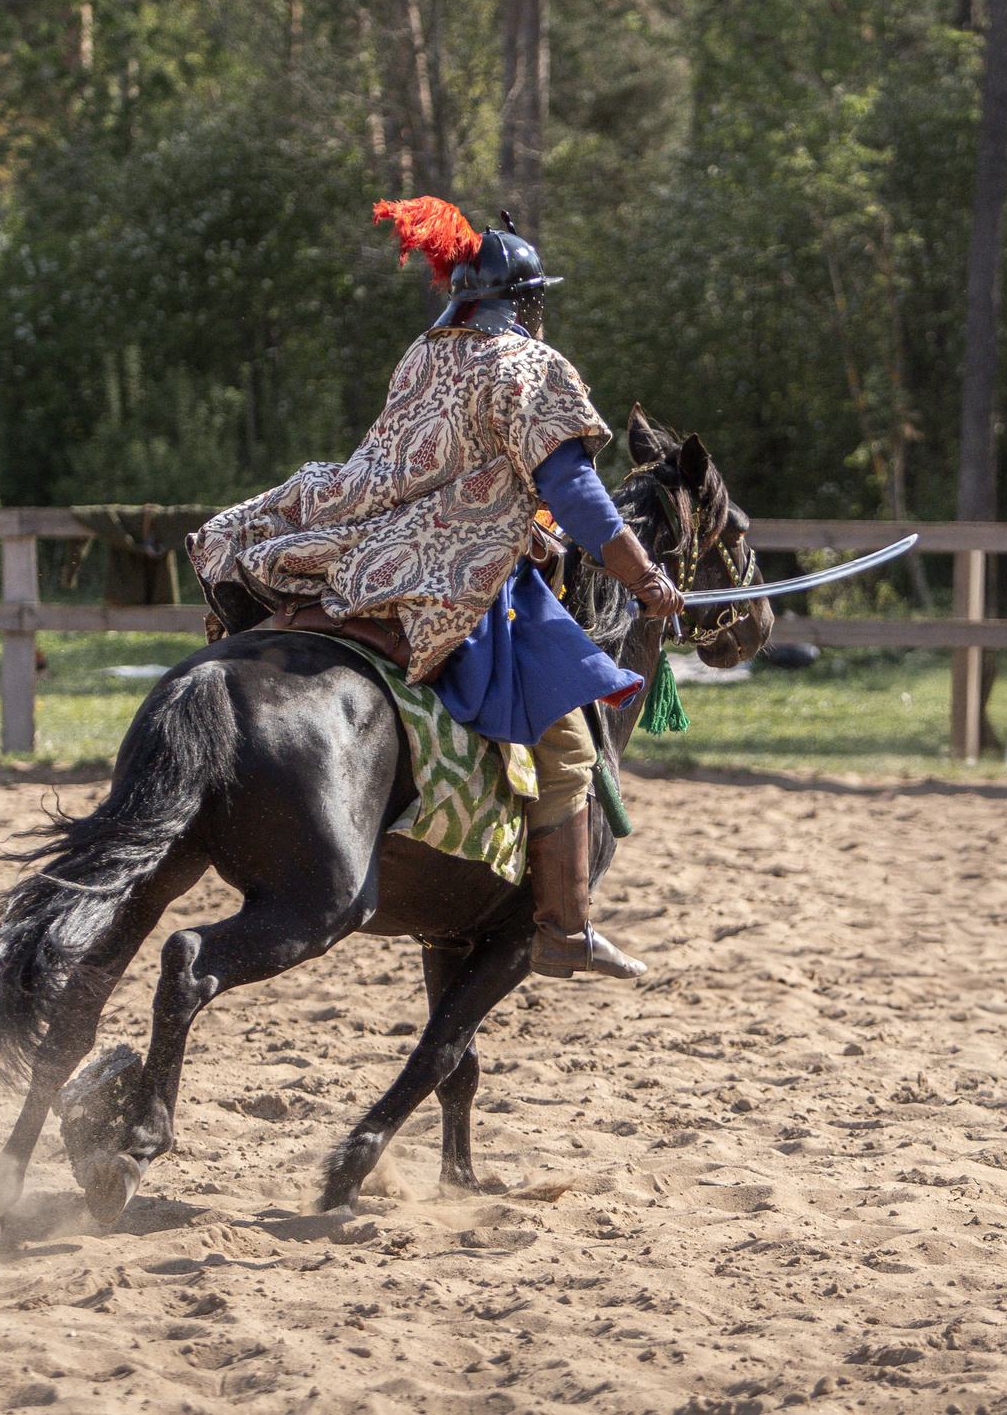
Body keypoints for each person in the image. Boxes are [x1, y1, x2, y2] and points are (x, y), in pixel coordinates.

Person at [189, 198, 684, 980]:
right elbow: (579, 491)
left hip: (365, 555)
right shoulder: (529, 365)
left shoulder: (422, 355)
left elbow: (436, 476)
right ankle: (563, 926)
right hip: (454, 579)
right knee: (569, 747)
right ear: (525, 303)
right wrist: (646, 577)